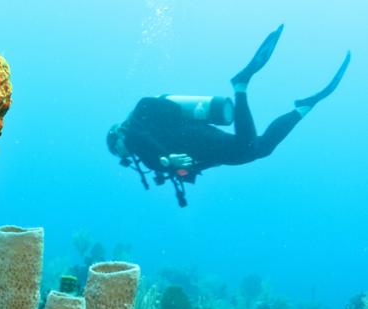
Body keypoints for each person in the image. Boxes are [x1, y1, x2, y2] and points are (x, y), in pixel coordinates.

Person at [106, 25, 350, 206]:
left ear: (117, 136)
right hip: (200, 146)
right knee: (260, 148)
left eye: (116, 149)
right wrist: (178, 168)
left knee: (247, 146)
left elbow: (144, 142)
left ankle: (240, 85)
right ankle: (302, 109)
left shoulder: (132, 132)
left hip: (193, 137)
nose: (122, 154)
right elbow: (165, 158)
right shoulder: (143, 145)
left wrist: (167, 160)